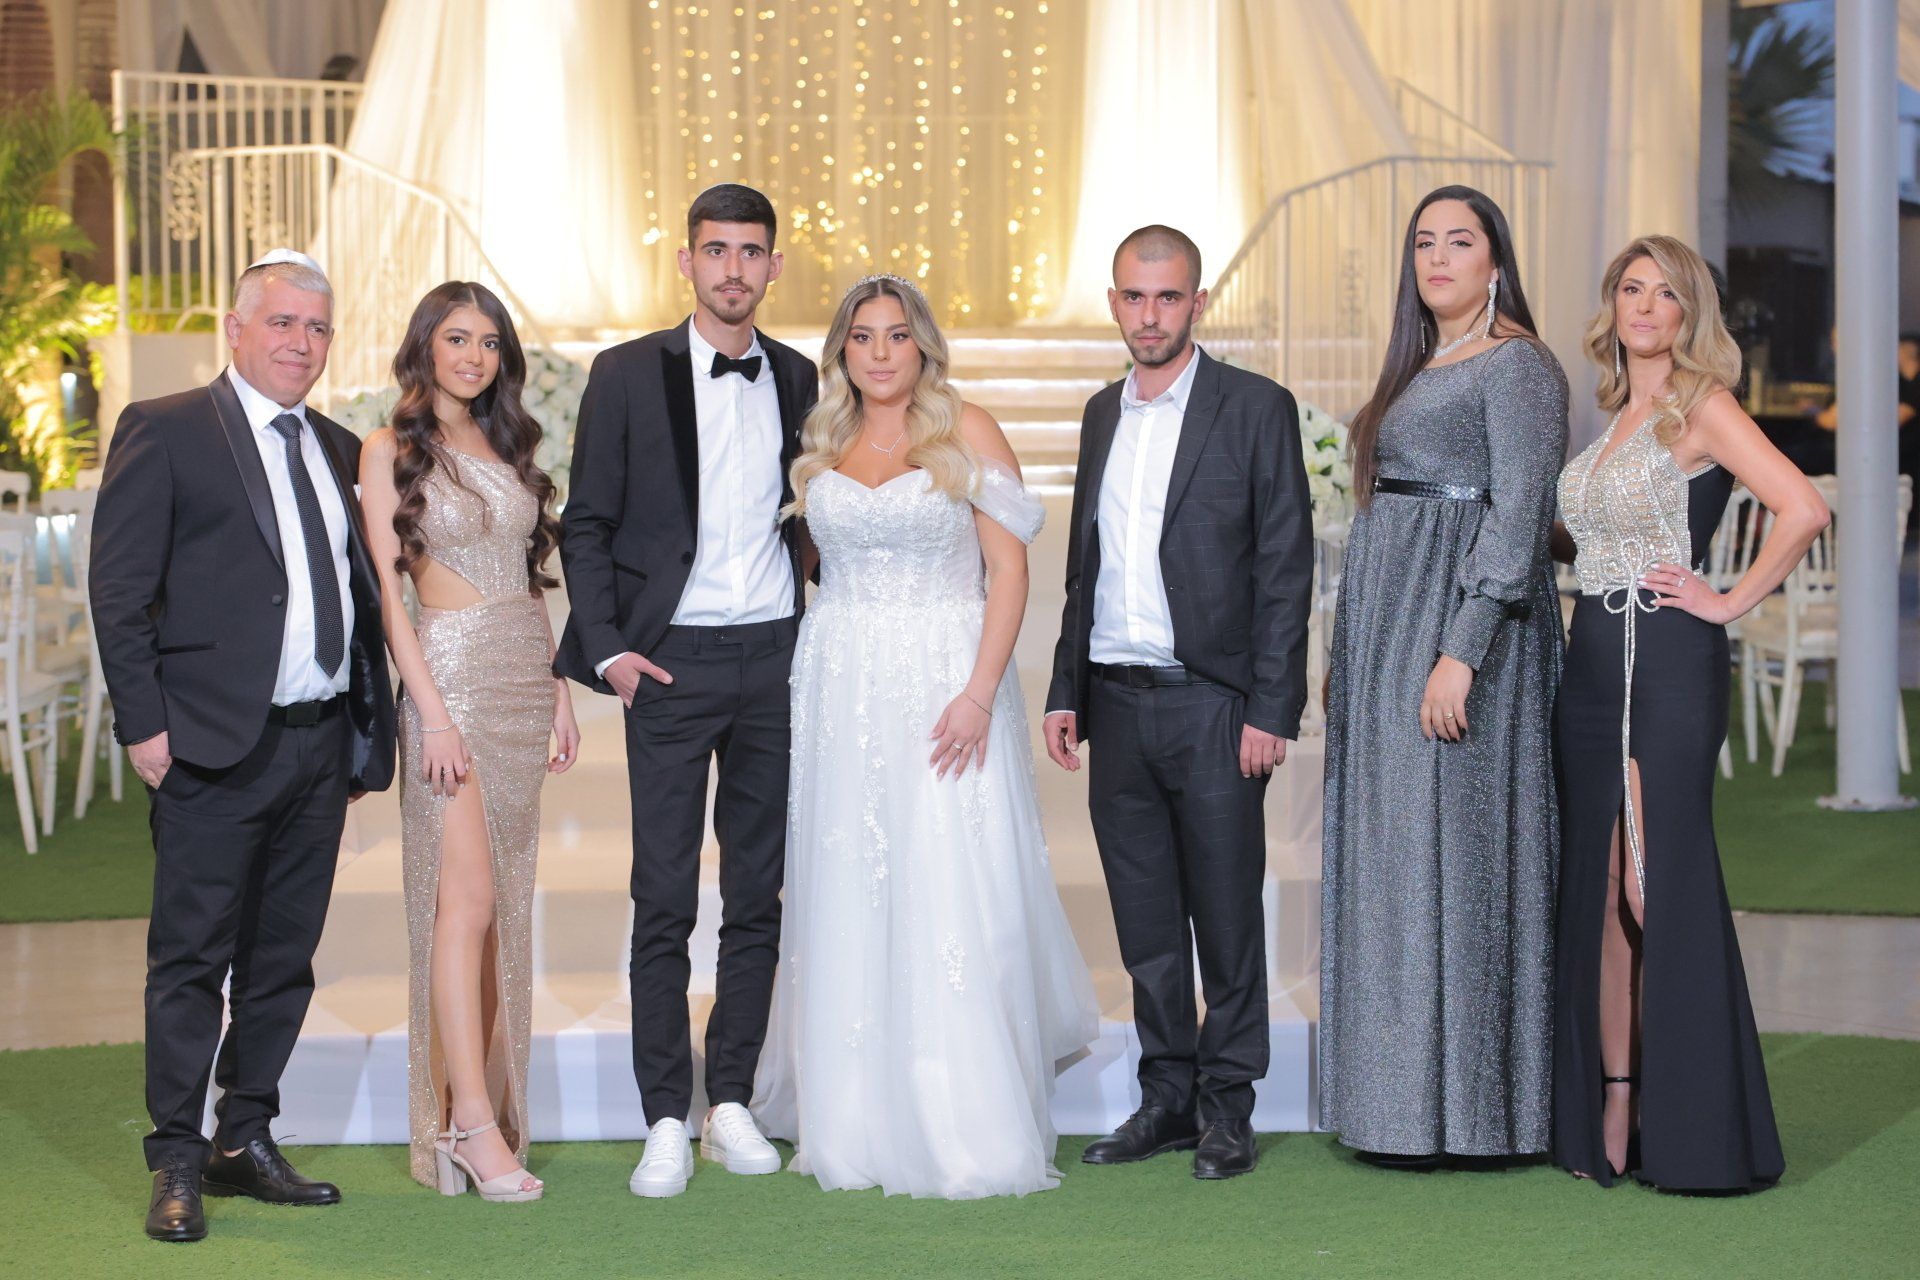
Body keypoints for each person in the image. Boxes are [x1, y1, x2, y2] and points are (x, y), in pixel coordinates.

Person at [750, 275, 1098, 1199]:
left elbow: (1009, 573)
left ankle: (962, 1118)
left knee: (948, 873)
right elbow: (814, 565)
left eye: (897, 335)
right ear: (842, 350)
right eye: (862, 336)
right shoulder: (822, 439)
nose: (880, 352)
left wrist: (979, 694)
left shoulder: (967, 428)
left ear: (923, 346)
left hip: (947, 678)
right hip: (842, 680)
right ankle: (855, 1116)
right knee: (852, 881)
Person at [90, 249, 396, 1242]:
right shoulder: (168, 428)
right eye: (282, 322)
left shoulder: (339, 447)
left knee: (284, 960)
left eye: (317, 326)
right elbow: (118, 589)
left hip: (317, 745)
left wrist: (365, 725)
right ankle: (176, 1158)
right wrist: (144, 721)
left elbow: (359, 598)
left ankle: (244, 1136)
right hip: (211, 746)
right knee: (191, 960)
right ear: (235, 327)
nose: (302, 342)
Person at [554, 184, 817, 1198]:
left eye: (751, 251)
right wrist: (611, 650)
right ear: (686, 260)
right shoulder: (626, 373)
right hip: (668, 664)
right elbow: (586, 522)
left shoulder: (799, 375)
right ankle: (665, 1111)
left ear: (774, 265)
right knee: (662, 895)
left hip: (773, 660)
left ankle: (732, 1098)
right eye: (716, 250)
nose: (733, 268)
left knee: (757, 892)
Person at [1553, 235, 1827, 1191]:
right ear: (1612, 305)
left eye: (1664, 293)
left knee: (1650, 886)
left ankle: (1701, 1126)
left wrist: (1727, 600)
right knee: (1601, 895)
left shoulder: (1702, 406)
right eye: (1630, 288)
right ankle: (1617, 1100)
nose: (1644, 307)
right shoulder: (1613, 417)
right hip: (1591, 664)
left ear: (1688, 313)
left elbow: (1802, 507)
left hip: (1664, 661)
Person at [1043, 225, 1314, 1181]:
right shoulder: (1100, 414)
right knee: (1147, 924)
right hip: (1115, 705)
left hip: (1214, 704)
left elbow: (1285, 566)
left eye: (1167, 297)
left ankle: (1227, 1106)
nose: (1149, 315)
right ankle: (1165, 1098)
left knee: (1227, 917)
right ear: (1114, 303)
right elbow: (1085, 568)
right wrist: (1066, 689)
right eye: (1133, 296)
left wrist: (1271, 707)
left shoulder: (1254, 407)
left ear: (1197, 303)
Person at [1318, 186, 1567, 1166]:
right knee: (1397, 860)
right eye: (1424, 241)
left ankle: (1474, 1112)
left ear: (1496, 259)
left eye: (1460, 241)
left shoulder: (1518, 364)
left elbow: (1519, 517)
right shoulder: (1422, 363)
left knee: (1457, 861)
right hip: (1392, 631)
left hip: (1466, 640)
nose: (1438, 257)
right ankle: (1396, 1107)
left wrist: (1461, 648)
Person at [358, 282, 578, 1202]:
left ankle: (478, 1106)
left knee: (503, 904)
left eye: (488, 343)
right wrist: (433, 713)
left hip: (523, 681)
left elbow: (527, 578)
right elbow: (389, 595)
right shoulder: (389, 449)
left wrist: (559, 690)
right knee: (467, 901)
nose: (473, 357)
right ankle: (469, 1125)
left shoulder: (508, 444)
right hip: (449, 682)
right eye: (456, 339)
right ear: (425, 346)